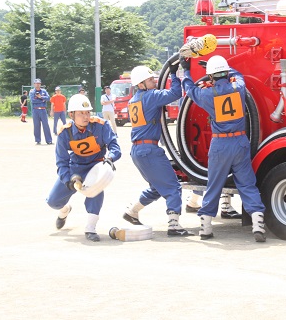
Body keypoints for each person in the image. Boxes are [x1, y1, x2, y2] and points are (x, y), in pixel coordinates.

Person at [180, 55, 266, 242]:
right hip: (241, 142)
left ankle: (206, 227)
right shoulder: (239, 87)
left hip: (220, 145)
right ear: (226, 72)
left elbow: (189, 89)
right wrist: (222, 70)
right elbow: (238, 74)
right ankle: (258, 224)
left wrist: (187, 70)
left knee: (214, 185)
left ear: (210, 77)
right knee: (247, 184)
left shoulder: (206, 95)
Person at [122, 64, 193, 237]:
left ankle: (132, 212)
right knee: (173, 187)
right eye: (150, 79)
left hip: (138, 151)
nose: (154, 81)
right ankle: (174, 224)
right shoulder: (150, 96)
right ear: (140, 84)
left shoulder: (134, 100)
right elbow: (176, 93)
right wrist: (175, 75)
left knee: (157, 187)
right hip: (149, 149)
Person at [46, 94, 121, 242]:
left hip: (97, 165)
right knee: (53, 201)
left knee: (95, 191)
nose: (86, 116)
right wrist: (68, 180)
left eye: (88, 112)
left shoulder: (101, 125)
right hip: (75, 169)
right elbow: (61, 161)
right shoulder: (64, 133)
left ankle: (90, 228)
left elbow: (114, 146)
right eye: (81, 113)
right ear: (71, 114)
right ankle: (65, 210)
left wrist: (110, 159)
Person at [29, 78, 53, 145]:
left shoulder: (44, 91)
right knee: (36, 125)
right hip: (35, 110)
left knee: (46, 125)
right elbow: (33, 100)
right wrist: (42, 99)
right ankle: (37, 140)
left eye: (39, 83)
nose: (38, 85)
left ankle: (49, 140)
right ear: (34, 84)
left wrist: (41, 97)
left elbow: (48, 98)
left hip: (43, 109)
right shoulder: (32, 92)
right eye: (36, 83)